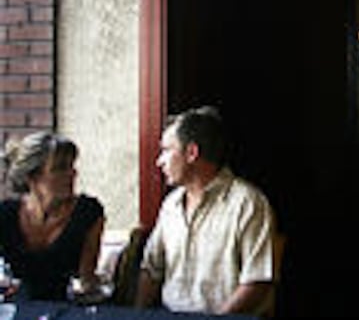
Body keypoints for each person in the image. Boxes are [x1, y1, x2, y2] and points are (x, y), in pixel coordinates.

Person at [135, 106, 276, 315]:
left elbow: (257, 282)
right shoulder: (171, 205)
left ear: (191, 153)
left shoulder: (247, 203)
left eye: (166, 150)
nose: (159, 162)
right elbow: (151, 270)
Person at [0, 131, 105, 301]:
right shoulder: (6, 215)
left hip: (66, 307)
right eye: (60, 168)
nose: (72, 174)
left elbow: (86, 278)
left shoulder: (87, 213)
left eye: (71, 166)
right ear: (32, 177)